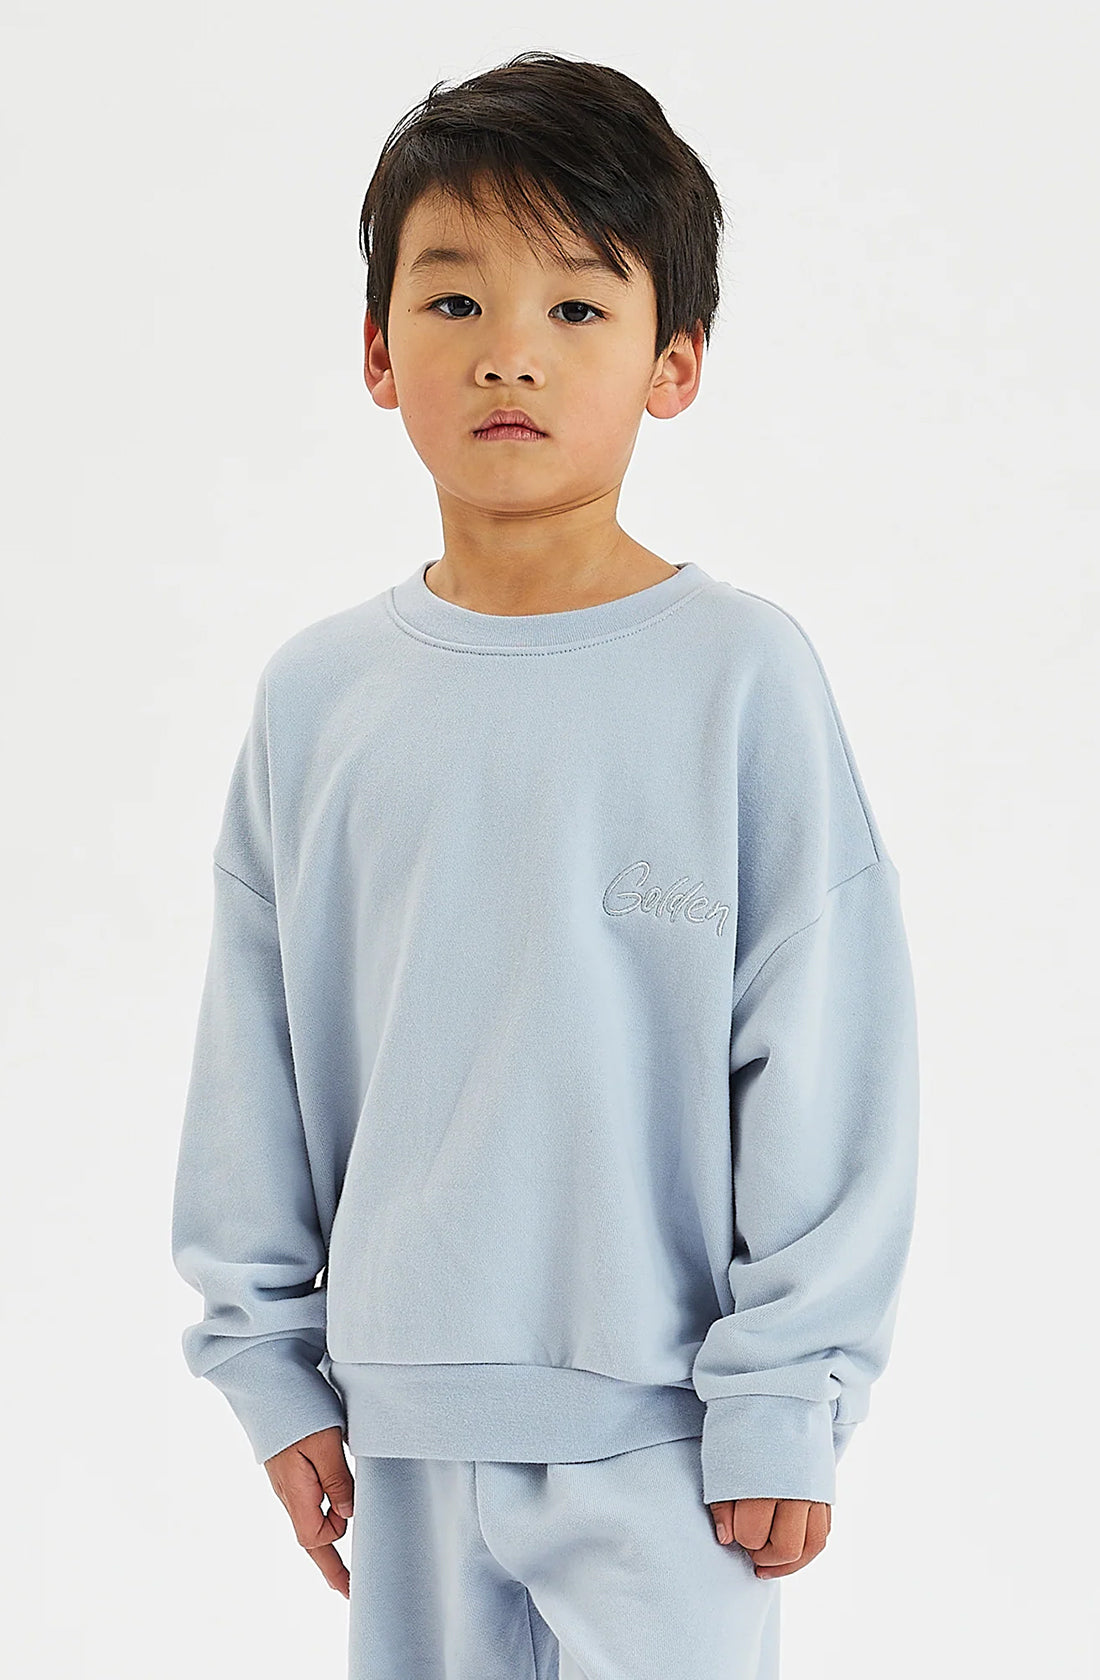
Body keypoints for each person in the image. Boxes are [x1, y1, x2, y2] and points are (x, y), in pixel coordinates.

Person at [171, 49, 920, 1680]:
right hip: (401, 1440)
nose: (511, 350)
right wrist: (270, 1371)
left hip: (673, 1454)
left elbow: (828, 1055)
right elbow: (255, 1056)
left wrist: (789, 1387)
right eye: (454, 305)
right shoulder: (319, 696)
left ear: (677, 359)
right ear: (378, 354)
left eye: (579, 307)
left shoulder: (738, 677)